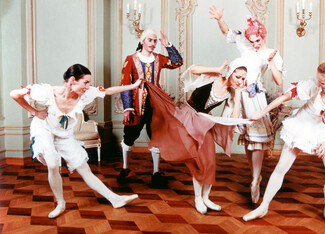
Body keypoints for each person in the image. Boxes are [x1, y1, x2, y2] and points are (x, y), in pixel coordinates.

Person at [242, 59, 325, 227]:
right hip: (303, 123)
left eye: (323, 82)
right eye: (318, 80)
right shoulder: (313, 85)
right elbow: (285, 97)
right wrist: (262, 112)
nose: (318, 84)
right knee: (281, 168)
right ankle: (263, 207)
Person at [10, 64, 140, 219]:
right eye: (85, 82)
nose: (88, 87)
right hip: (44, 130)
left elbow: (108, 91)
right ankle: (60, 203)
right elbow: (14, 94)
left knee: (84, 169)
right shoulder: (48, 92)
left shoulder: (85, 94)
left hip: (64, 134)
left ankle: (115, 199)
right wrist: (35, 112)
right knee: (52, 165)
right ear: (72, 80)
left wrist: (133, 85)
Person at [145, 58, 252, 214]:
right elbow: (194, 69)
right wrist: (217, 68)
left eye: (243, 78)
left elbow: (233, 119)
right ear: (231, 72)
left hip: (203, 121)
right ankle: (198, 198)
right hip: (187, 117)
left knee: (210, 161)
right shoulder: (215, 76)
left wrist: (238, 94)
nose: (240, 81)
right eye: (238, 76)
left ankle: (206, 197)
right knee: (197, 161)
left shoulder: (231, 93)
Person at [209, 5, 285, 204]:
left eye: (257, 40)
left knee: (257, 139)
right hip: (237, 95)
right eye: (252, 41)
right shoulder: (244, 42)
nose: (255, 44)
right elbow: (227, 31)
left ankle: (255, 179)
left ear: (263, 35)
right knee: (247, 139)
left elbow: (279, 81)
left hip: (254, 97)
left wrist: (271, 63)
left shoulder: (271, 53)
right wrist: (219, 19)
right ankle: (255, 177)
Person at [118, 29, 183, 187]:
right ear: (142, 41)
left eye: (155, 41)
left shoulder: (159, 59)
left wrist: (168, 45)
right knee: (129, 137)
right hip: (136, 105)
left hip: (155, 105)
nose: (153, 44)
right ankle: (125, 167)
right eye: (150, 40)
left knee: (156, 137)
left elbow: (177, 62)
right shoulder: (131, 59)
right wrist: (127, 108)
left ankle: (155, 172)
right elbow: (125, 85)